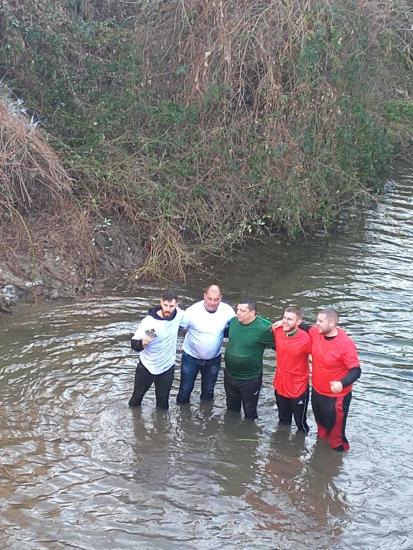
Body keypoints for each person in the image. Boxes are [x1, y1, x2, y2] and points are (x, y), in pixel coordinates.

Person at [309, 307, 361, 451]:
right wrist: (283, 322)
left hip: (336, 398)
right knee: (321, 431)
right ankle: (319, 461)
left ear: (332, 323)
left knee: (336, 438)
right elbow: (303, 326)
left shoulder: (345, 344)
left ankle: (337, 467)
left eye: (320, 321)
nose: (316, 324)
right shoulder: (316, 332)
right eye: (317, 320)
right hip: (317, 392)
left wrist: (341, 383)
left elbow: (356, 371)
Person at [176, 285, 235, 404]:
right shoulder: (192, 311)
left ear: (221, 298)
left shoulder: (228, 311)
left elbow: (242, 324)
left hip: (214, 359)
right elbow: (174, 326)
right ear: (204, 296)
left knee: (208, 392)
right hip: (191, 358)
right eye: (209, 298)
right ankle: (182, 418)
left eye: (216, 299)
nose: (212, 302)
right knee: (185, 391)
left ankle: (207, 417)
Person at [128, 289, 184, 410]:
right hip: (147, 367)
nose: (168, 309)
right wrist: (142, 343)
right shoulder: (150, 322)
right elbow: (134, 344)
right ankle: (135, 422)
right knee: (136, 399)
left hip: (167, 368)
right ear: (160, 302)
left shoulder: (179, 314)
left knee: (163, 405)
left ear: (176, 305)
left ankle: (161, 427)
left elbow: (190, 322)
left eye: (171, 306)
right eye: (165, 305)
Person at [224, 299, 274, 420]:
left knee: (250, 412)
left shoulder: (265, 328)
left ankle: (249, 434)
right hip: (230, 376)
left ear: (252, 313)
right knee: (231, 410)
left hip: (250, 379)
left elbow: (281, 345)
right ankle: (231, 433)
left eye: (242, 310)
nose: (238, 313)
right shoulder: (233, 322)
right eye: (237, 310)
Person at [272, 306, 312, 433]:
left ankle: (300, 449)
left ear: (298, 322)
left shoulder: (306, 339)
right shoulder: (277, 330)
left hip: (298, 388)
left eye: (290, 319)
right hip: (280, 386)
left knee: (301, 425)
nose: (285, 321)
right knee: (283, 421)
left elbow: (321, 354)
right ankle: (282, 447)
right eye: (284, 317)